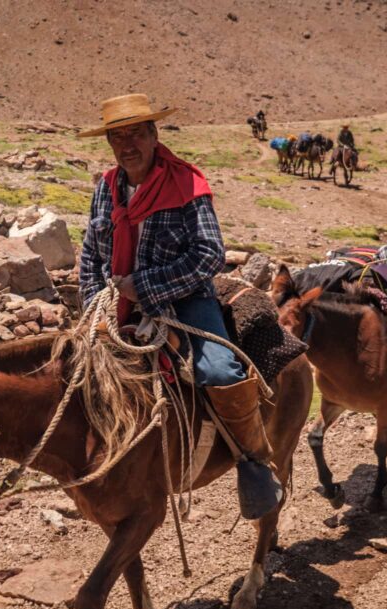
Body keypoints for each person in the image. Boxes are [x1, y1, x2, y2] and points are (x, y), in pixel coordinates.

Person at [77, 93, 281, 519]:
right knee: (74, 368)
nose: (127, 144)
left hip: (184, 300)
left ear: (154, 134)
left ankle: (253, 462)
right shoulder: (106, 187)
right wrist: (94, 302)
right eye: (118, 136)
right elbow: (91, 254)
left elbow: (209, 255)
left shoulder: (187, 184)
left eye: (135, 133)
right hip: (115, 304)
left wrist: (144, 286)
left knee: (218, 370)